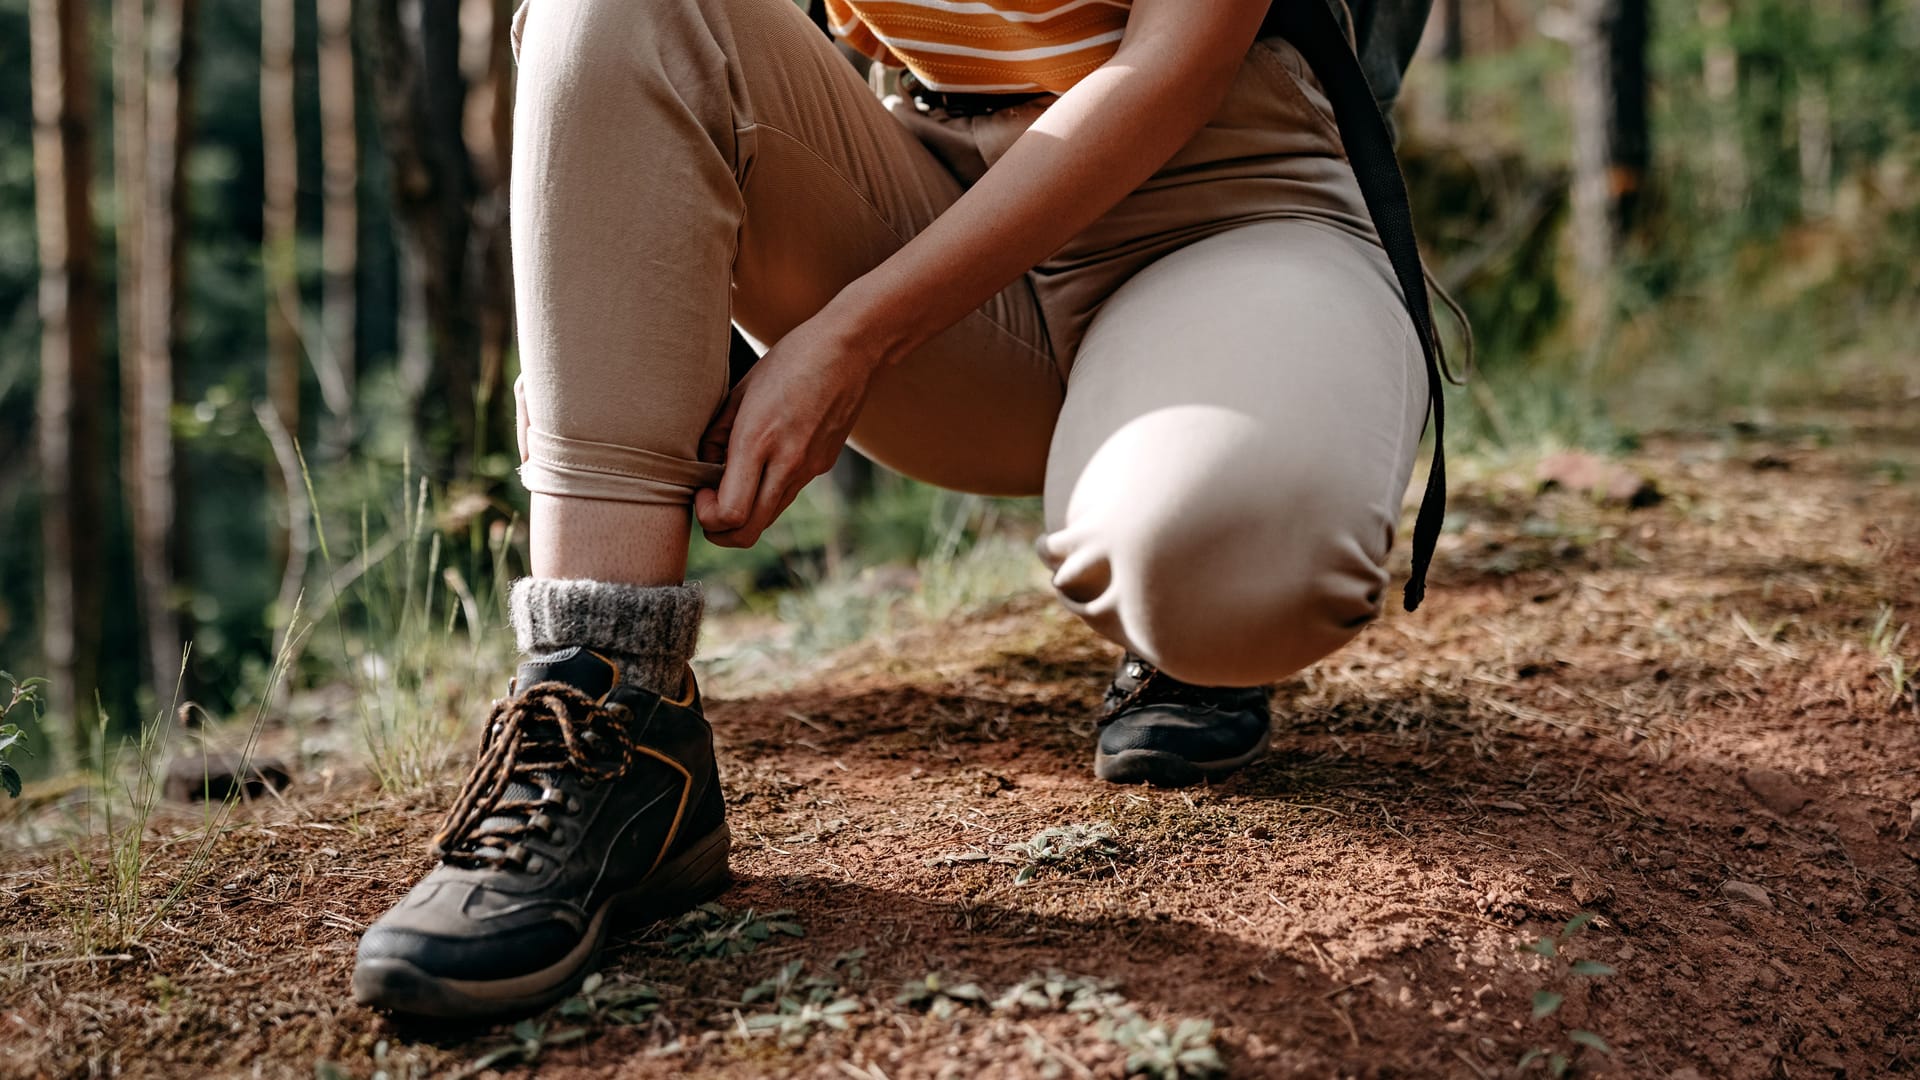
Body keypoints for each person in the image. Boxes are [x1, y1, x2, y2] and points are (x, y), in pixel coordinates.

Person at [352, 0, 1446, 1019]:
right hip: (933, 190)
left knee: (1226, 562)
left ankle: (1193, 538)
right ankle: (608, 709)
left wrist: (849, 335)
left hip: (1228, 203)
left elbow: (1175, 63)